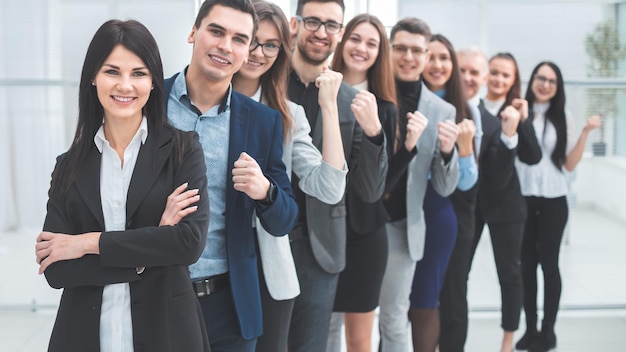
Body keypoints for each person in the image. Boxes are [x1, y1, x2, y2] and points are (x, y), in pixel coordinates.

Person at [35, 19, 211, 352]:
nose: (125, 85)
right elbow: (56, 270)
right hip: (84, 335)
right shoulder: (68, 166)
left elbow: (187, 243)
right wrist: (150, 248)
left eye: (139, 73)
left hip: (167, 333)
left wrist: (87, 243)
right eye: (112, 71)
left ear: (154, 82)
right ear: (93, 77)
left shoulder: (183, 150)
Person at [164, 0, 299, 350]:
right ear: (193, 33)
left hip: (228, 305)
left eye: (240, 39)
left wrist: (265, 191)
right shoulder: (149, 102)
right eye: (216, 31)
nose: (226, 45)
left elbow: (285, 219)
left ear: (246, 52)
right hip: (154, 294)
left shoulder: (261, 121)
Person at [231, 1, 347, 351]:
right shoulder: (202, 100)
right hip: (208, 264)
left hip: (268, 266)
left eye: (271, 45)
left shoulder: (288, 113)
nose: (258, 53)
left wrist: (328, 106)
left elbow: (329, 188)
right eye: (251, 40)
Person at [287, 0, 389, 351]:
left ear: (340, 33)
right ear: (294, 24)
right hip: (263, 241)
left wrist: (375, 134)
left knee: (311, 345)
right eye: (312, 21)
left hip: (322, 246)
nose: (321, 32)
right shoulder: (267, 86)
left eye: (331, 25)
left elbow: (369, 190)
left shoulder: (350, 100)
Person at [378, 17, 460, 352]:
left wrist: (447, 151)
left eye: (416, 50)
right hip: (359, 223)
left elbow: (445, 186)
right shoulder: (369, 93)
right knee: (342, 314)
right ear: (390, 50)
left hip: (401, 226)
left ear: (426, 56)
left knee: (394, 318)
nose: (408, 57)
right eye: (400, 48)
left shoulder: (443, 110)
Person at [515, 62, 601, 352]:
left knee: (549, 265)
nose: (545, 84)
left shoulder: (563, 117)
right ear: (533, 80)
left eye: (552, 81)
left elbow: (569, 163)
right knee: (526, 266)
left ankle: (548, 332)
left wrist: (586, 133)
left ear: (558, 87)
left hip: (553, 200)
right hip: (523, 199)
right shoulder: (518, 112)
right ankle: (530, 329)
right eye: (541, 77)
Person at [325, 13, 397, 352]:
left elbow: (378, 184)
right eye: (355, 38)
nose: (361, 48)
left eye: (372, 43)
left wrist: (374, 129)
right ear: (341, 40)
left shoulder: (386, 108)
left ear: (380, 53)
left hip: (365, 234)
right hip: (319, 231)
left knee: (358, 341)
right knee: (317, 335)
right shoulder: (318, 89)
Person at [407, 33, 478, 352]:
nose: (436, 64)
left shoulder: (463, 111)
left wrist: (461, 149)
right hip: (400, 214)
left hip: (440, 216)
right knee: (395, 306)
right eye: (430, 57)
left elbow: (466, 182)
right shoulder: (404, 100)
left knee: (433, 300)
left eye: (444, 58)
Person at [469, 52, 542, 352]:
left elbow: (532, 156)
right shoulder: (472, 105)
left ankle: (507, 340)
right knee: (457, 271)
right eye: (495, 73)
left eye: (505, 75)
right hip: (470, 203)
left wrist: (522, 121)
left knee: (509, 274)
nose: (499, 79)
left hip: (507, 205)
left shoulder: (518, 111)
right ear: (486, 75)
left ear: (514, 81)